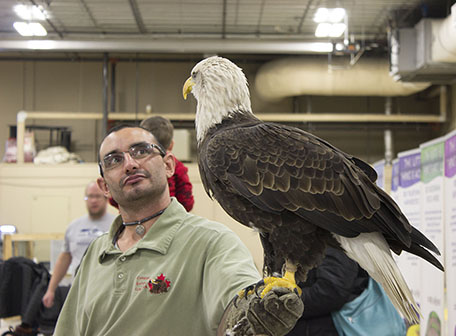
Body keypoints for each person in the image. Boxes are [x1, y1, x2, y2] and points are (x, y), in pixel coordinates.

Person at [53, 124, 303, 336]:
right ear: (104, 186)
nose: (129, 164)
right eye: (114, 160)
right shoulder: (96, 253)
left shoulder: (211, 241)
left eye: (141, 151)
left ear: (169, 165)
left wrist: (253, 315)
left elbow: (237, 306)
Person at [42, 181, 115, 309]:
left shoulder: (116, 225)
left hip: (108, 292)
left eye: (97, 196)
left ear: (106, 197)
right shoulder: (74, 227)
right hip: (78, 291)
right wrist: (51, 289)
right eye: (90, 196)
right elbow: (65, 258)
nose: (93, 200)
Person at [287, 247, 369, 336]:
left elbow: (331, 292)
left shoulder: (332, 241)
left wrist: (286, 301)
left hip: (337, 325)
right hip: (314, 324)